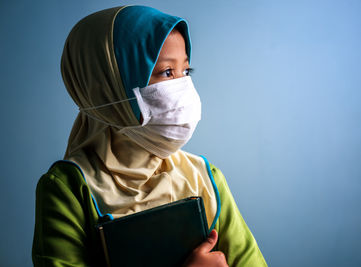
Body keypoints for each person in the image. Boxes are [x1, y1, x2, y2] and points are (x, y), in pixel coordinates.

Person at [32, 5, 268, 267]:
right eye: (167, 72)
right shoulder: (70, 188)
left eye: (186, 72)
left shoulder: (205, 177)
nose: (182, 87)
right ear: (108, 84)